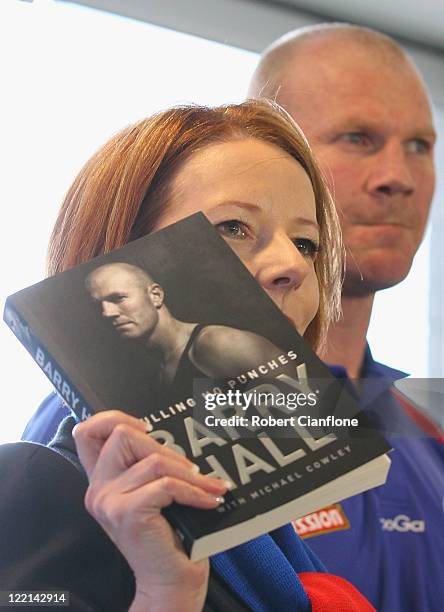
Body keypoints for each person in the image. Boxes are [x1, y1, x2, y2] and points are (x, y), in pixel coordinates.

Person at [0, 101, 375, 611]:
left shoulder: (272, 535)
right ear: (121, 253)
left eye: (307, 243)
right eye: (234, 228)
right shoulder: (32, 487)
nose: (293, 264)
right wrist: (165, 594)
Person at [248, 23, 443, 611]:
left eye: (420, 145)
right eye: (358, 138)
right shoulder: (143, 406)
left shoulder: (427, 421)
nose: (398, 178)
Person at [84, 261, 301, 393]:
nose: (107, 313)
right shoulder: (155, 373)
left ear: (155, 295)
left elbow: (319, 415)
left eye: (119, 298)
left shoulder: (217, 344)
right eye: (98, 307)